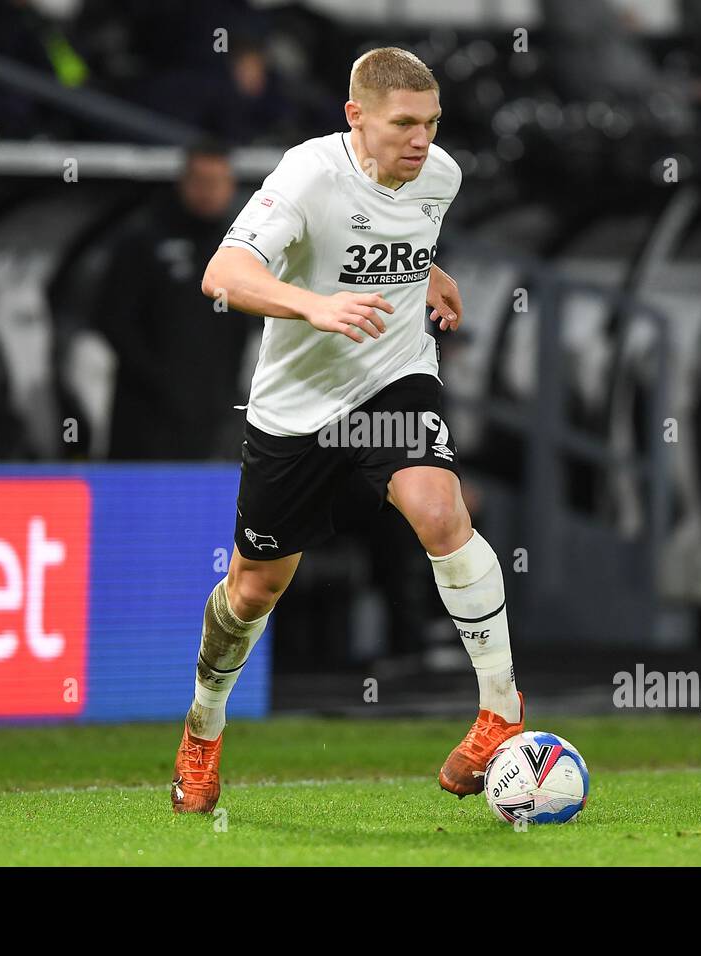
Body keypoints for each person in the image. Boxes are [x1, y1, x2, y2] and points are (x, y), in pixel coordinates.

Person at [170, 47, 524, 813]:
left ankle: (501, 710)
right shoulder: (306, 174)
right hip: (295, 407)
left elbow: (397, 236)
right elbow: (222, 276)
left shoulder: (442, 176)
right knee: (253, 589)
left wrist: (426, 273)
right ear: (355, 117)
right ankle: (202, 729)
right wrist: (314, 304)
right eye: (404, 123)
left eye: (432, 123)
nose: (422, 140)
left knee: (439, 511)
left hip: (390, 378)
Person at [98, 139, 250, 460]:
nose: (208, 191)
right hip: (147, 412)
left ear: (230, 186)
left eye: (217, 182)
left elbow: (247, 325)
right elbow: (113, 318)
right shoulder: (143, 239)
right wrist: (162, 382)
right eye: (200, 181)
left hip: (216, 410)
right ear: (183, 183)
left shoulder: (241, 244)